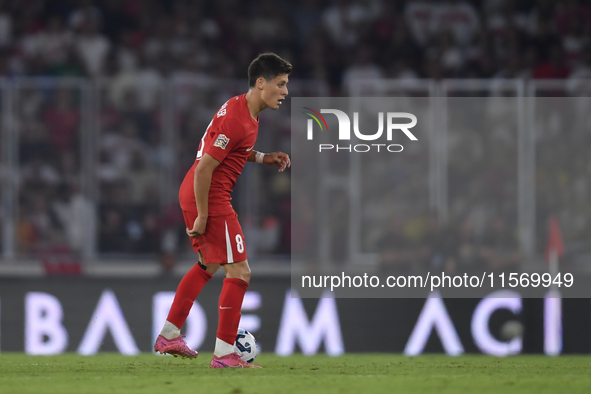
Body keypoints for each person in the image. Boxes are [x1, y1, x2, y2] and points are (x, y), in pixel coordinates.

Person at [154, 53, 292, 368]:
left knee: (209, 264)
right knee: (240, 272)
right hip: (209, 195)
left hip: (197, 191)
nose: (285, 92)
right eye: (280, 84)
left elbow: (232, 151)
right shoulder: (238, 118)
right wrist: (203, 213)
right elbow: (206, 168)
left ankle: (169, 333)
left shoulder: (241, 108)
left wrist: (262, 158)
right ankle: (225, 353)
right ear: (261, 83)